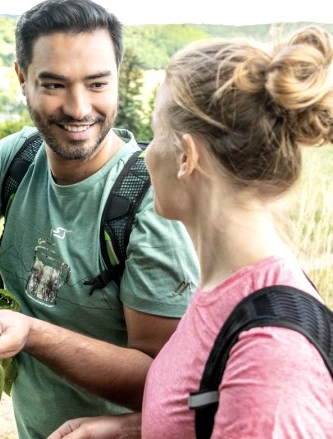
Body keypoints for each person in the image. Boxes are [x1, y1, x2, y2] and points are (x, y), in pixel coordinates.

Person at [0, 0, 199, 438]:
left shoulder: (151, 204)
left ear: (118, 80)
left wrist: (32, 334)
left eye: (97, 84)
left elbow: (164, 386)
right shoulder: (17, 158)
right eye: (53, 85)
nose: (78, 107)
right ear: (22, 79)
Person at [48, 26, 333, 438]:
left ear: (186, 156)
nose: (147, 154)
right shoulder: (226, 287)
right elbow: (218, 409)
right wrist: (128, 430)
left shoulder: (273, 357)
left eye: (158, 135)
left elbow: (263, 407)